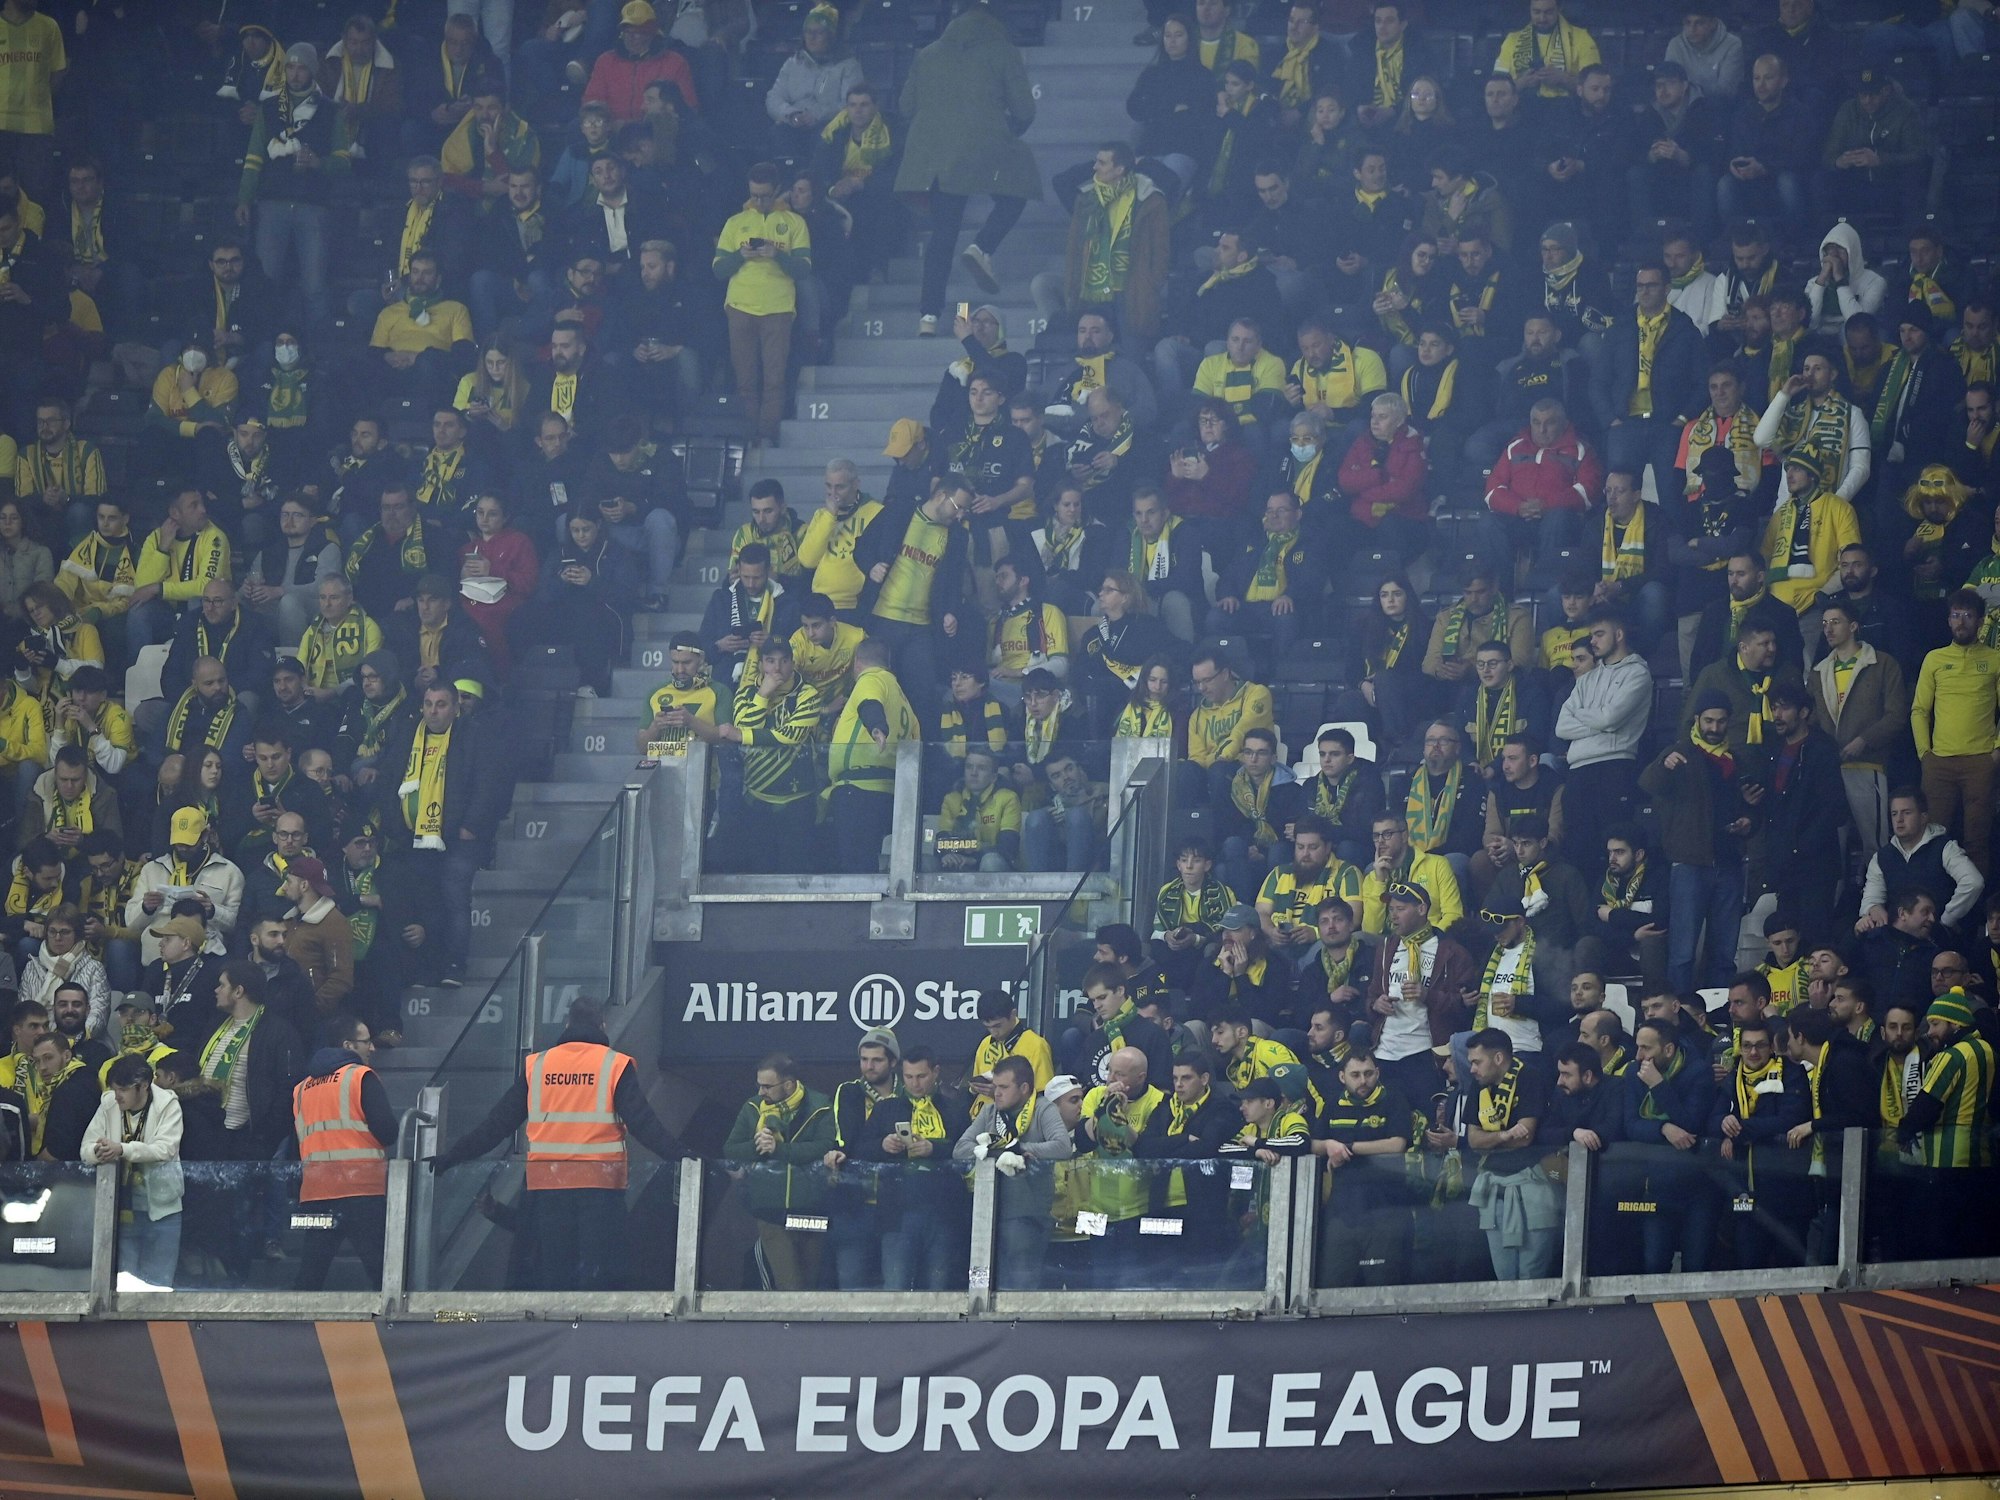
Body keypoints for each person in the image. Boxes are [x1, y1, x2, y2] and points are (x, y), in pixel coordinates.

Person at [435, 998, 685, 1290]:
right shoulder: (614, 1064)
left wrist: (453, 1156)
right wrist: (683, 1155)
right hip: (600, 1189)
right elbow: (645, 1125)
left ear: (567, 1025)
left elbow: (497, 1124)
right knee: (597, 1279)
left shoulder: (538, 1066)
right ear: (602, 1025)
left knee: (552, 1279)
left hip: (546, 1190)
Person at [895, 0, 1037, 334]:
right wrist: (1008, 132)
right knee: (1016, 192)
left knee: (943, 234)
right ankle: (983, 246)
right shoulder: (1003, 49)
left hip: (937, 155)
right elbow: (1025, 111)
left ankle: (928, 317)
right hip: (986, 145)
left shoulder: (927, 53)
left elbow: (904, 106)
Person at [1642, 692, 1763, 992]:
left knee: (1725, 951)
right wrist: (1664, 765)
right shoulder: (1679, 752)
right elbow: (1648, 784)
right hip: (1689, 862)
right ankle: (1680, 1011)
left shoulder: (1736, 759)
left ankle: (1721, 1012)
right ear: (1696, 720)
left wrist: (1749, 821)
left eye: (1721, 721)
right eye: (1708, 720)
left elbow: (1751, 806)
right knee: (1682, 952)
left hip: (1730, 861)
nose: (1714, 727)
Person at [291, 1014, 395, 1291]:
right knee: (382, 1273)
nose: (372, 1048)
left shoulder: (301, 1089)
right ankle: (393, 1332)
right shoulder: (361, 1077)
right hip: (362, 1191)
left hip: (316, 1193)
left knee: (310, 1274)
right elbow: (388, 1130)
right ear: (349, 1046)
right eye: (366, 1042)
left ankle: (295, 1331)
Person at [955, 1053, 1075, 1290]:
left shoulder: (1043, 1108)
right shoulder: (989, 1112)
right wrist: (997, 1151)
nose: (996, 1093)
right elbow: (960, 1150)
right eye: (995, 1086)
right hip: (988, 1214)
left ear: (1024, 1088)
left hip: (1029, 1214)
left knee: (1021, 1283)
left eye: (1003, 1087)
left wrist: (1019, 1149)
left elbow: (1062, 1147)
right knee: (989, 1283)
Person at [713, 163, 810, 445]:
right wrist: (741, 255)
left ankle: (766, 435)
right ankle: (746, 435)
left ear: (778, 190)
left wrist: (776, 254)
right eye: (754, 195)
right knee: (744, 379)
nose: (758, 201)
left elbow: (804, 269)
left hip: (778, 308)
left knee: (774, 379)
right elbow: (718, 269)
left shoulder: (795, 223)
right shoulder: (735, 222)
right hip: (740, 306)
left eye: (765, 196)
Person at [1897, 991, 1998, 1259]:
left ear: (1955, 1024)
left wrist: (1903, 1130)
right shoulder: (1988, 1051)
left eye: (1935, 1024)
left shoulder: (1951, 1055)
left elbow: (1927, 1105)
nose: (1929, 1031)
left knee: (1941, 1236)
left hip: (1946, 1160)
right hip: (1983, 1157)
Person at [721, 1053, 833, 1291]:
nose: (761, 1092)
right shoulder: (752, 1108)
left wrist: (779, 1149)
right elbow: (730, 1148)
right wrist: (756, 1146)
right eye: (759, 1085)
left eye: (767, 1086)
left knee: (812, 1282)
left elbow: (824, 1146)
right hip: (769, 1212)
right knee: (789, 1284)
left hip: (812, 1209)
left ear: (789, 1085)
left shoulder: (820, 1106)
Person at [1809, 595, 1909, 856]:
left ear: (1853, 626)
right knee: (1832, 848)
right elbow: (1814, 720)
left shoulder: (1882, 663)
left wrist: (1864, 740)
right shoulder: (1819, 672)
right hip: (1831, 769)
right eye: (1824, 623)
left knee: (1875, 844)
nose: (1828, 628)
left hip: (1869, 764)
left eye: (1835, 622)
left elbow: (1896, 715)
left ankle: (1877, 895)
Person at [1462, 1027, 1557, 1281]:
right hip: (1493, 1187)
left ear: (1498, 1058)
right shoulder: (1479, 1084)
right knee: (1504, 1276)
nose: (1472, 1069)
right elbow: (1473, 1140)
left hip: (1531, 1185)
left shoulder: (1530, 1077)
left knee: (1531, 1274)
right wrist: (1503, 1136)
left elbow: (1525, 1138)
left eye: (1476, 1062)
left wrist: (1490, 1141)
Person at [82, 1052, 184, 1287]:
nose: (117, 1096)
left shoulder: (169, 1104)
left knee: (159, 1285)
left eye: (123, 1090)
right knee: (124, 1286)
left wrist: (122, 1150)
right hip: (120, 1209)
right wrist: (100, 1151)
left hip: (163, 1209)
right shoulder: (108, 1103)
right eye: (114, 1089)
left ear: (144, 1086)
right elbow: (85, 1147)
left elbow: (165, 1150)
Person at [1856, 788, 1983, 939]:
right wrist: (1873, 908)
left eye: (1907, 812)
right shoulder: (1882, 856)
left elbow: (1973, 882)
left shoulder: (1945, 847)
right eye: (1894, 813)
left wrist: (1946, 920)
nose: (1899, 819)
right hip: (1895, 939)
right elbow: (1871, 898)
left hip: (1938, 939)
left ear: (1923, 817)